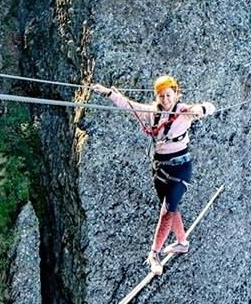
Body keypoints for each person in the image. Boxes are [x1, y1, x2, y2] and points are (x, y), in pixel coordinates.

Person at [91, 75, 215, 276]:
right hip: (159, 169)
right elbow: (128, 105)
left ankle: (154, 254)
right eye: (161, 96)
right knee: (170, 208)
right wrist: (108, 93)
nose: (165, 99)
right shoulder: (152, 113)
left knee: (167, 211)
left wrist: (201, 109)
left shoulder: (185, 112)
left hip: (180, 168)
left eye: (168, 95)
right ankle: (182, 243)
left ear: (176, 93)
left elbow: (210, 107)